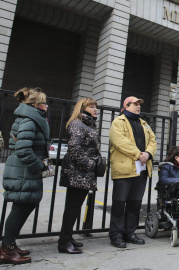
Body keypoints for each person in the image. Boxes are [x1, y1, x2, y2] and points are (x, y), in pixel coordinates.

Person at [1, 88, 49, 264]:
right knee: (20, 208)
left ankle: (10, 244)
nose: (47, 105)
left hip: (26, 171)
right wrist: (39, 166)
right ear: (35, 105)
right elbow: (23, 149)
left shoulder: (32, 119)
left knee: (26, 205)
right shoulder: (29, 120)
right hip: (25, 171)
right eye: (44, 103)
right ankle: (7, 249)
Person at [108, 96, 157, 248]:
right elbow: (120, 141)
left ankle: (130, 232)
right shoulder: (118, 122)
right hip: (124, 169)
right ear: (126, 106)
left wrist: (148, 154)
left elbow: (153, 141)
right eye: (135, 104)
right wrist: (139, 154)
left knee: (135, 204)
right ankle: (116, 235)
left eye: (139, 104)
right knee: (119, 203)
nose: (138, 107)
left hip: (141, 169)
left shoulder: (144, 123)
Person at [58, 98, 102, 254]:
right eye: (91, 106)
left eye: (95, 107)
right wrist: (90, 165)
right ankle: (64, 242)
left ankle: (67, 237)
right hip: (77, 173)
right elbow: (74, 148)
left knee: (74, 207)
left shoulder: (87, 125)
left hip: (83, 173)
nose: (95, 109)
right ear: (82, 108)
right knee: (72, 207)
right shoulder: (77, 124)